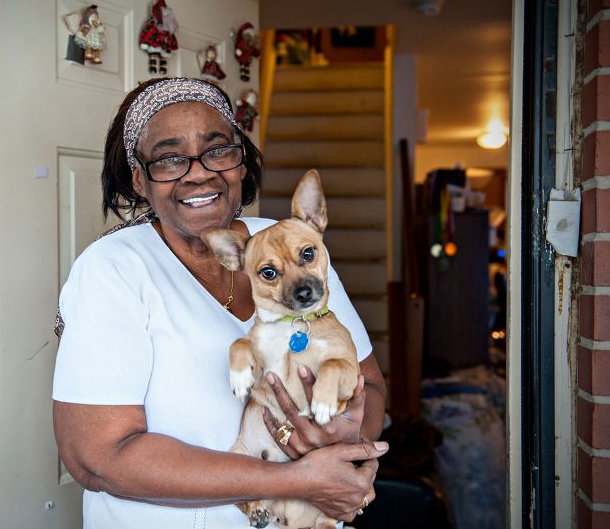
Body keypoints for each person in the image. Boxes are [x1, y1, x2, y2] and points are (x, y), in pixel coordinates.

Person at [52, 77, 388, 528]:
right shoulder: (114, 269)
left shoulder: (290, 241)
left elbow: (371, 385)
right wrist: (296, 479)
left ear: (241, 162)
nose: (199, 172)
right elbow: (96, 458)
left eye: (218, 149)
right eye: (170, 158)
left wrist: (346, 447)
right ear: (140, 180)